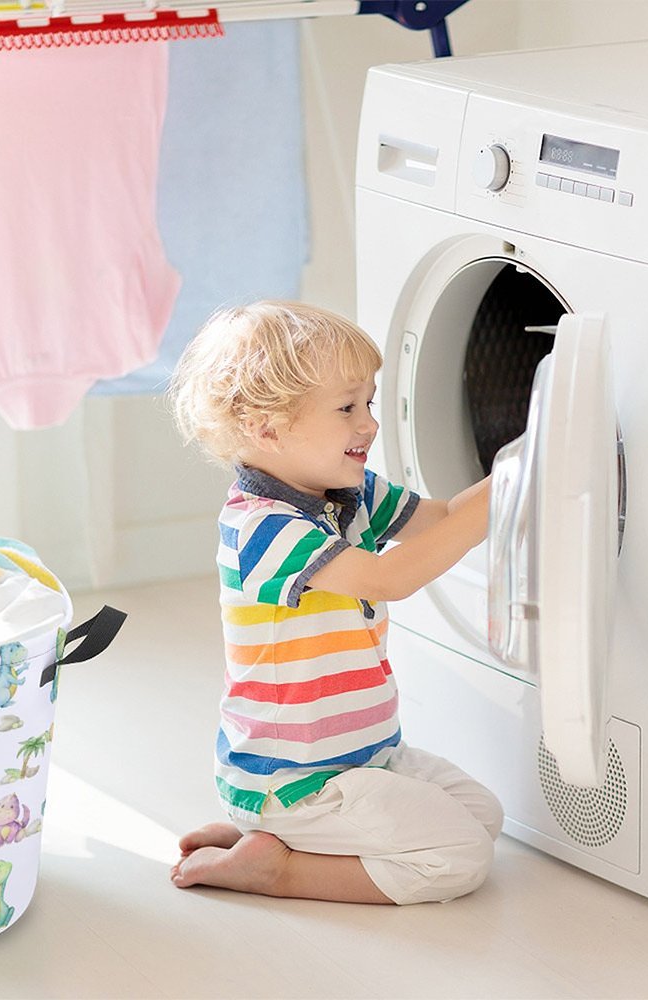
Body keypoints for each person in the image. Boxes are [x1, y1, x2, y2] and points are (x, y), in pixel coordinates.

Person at [167, 300, 502, 905]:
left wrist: (519, 469)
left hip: (367, 755)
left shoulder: (349, 493)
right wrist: (503, 493)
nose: (369, 424)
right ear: (265, 428)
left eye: (368, 403)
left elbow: (442, 520)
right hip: (295, 776)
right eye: (347, 407)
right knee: (459, 858)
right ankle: (276, 866)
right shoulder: (262, 527)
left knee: (485, 817)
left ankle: (274, 838)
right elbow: (386, 578)